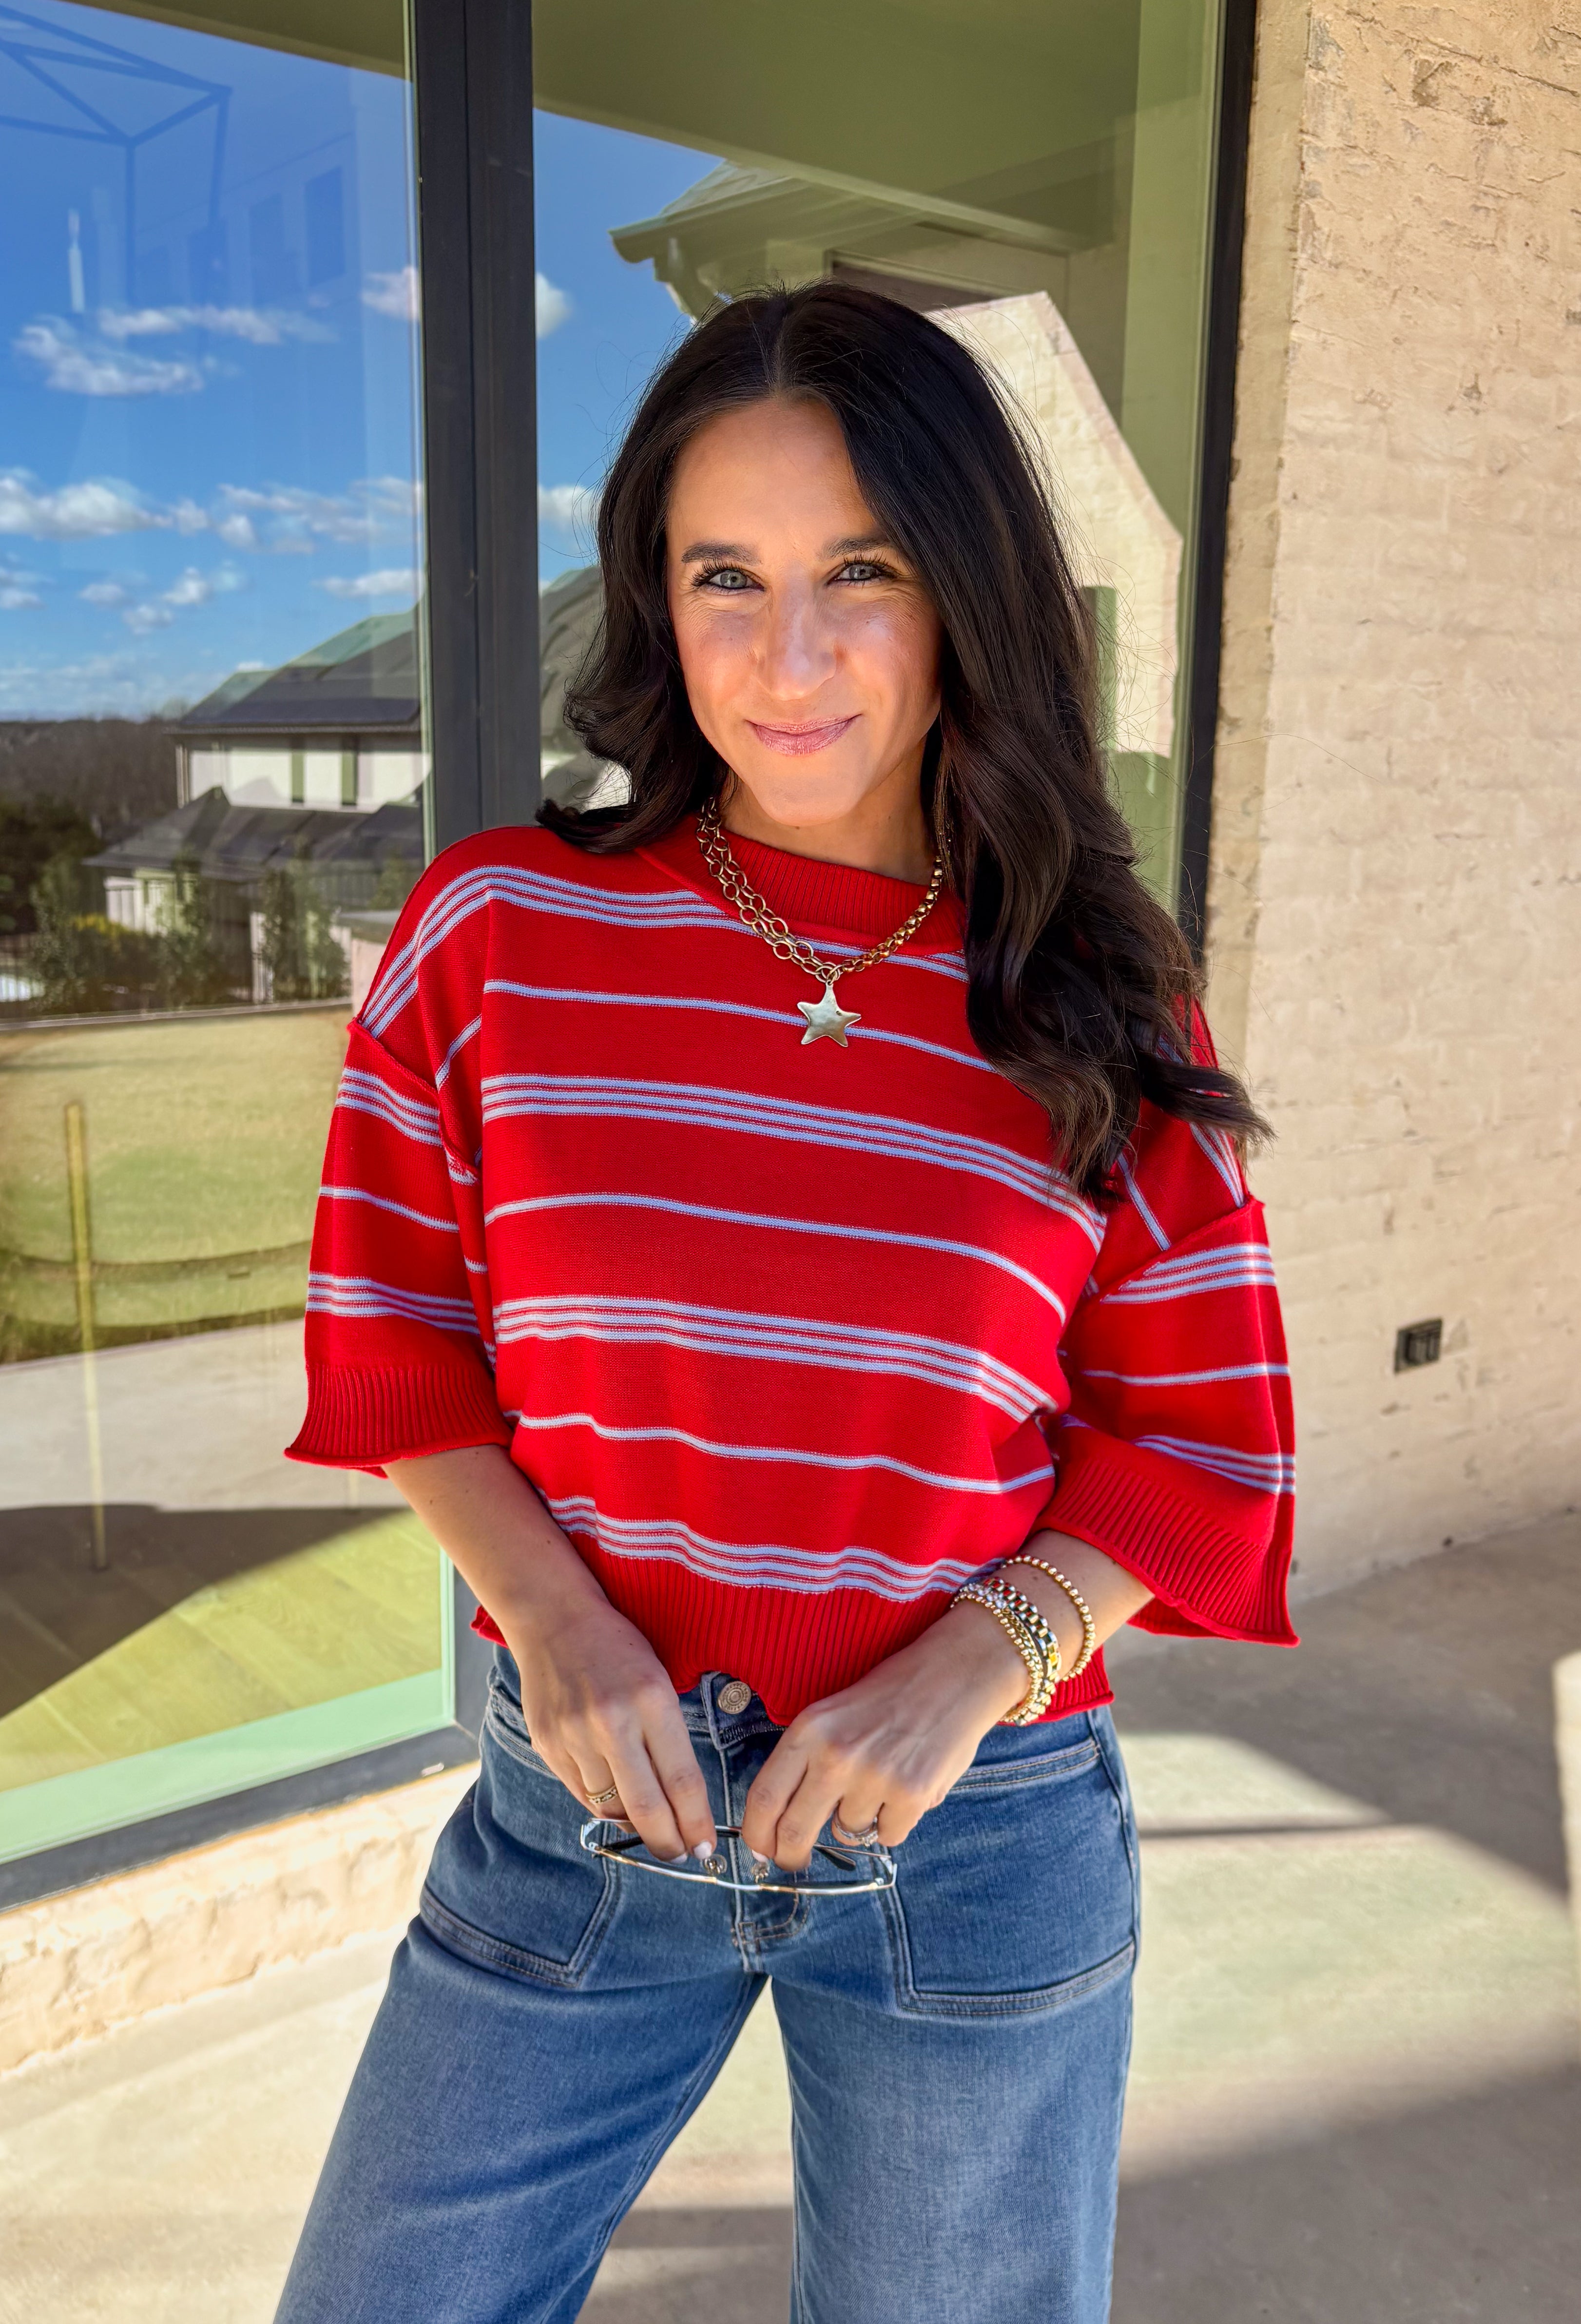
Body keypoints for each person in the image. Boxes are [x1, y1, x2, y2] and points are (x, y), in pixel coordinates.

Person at [275, 281, 1294, 2324]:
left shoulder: (1091, 994)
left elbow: (1199, 1447)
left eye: (861, 571)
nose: (791, 655)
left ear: (969, 594)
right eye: (721, 577)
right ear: (653, 605)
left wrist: (964, 1673)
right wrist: (552, 1628)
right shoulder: (500, 934)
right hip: (585, 1804)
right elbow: (397, 1340)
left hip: (968, 1824)